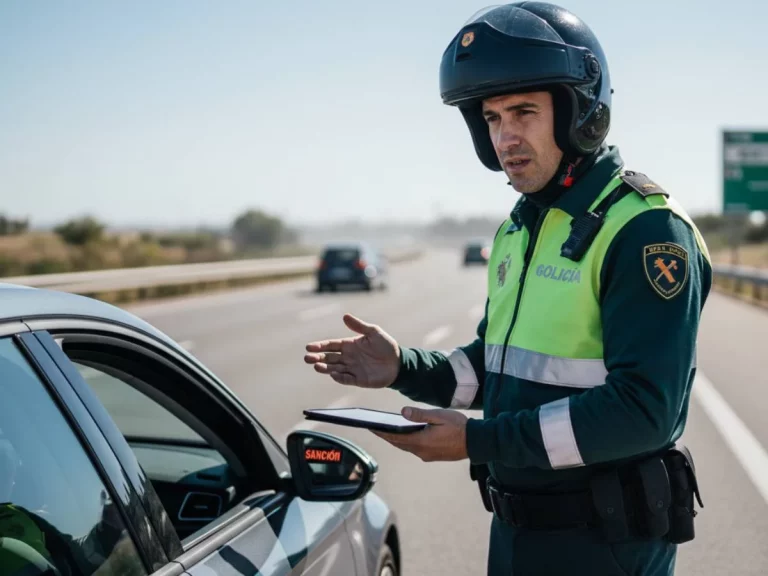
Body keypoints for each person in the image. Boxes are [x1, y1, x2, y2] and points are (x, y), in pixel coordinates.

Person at [304, 3, 712, 574]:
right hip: (516, 535)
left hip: (607, 545)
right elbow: (496, 369)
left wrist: (479, 442)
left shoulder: (645, 230)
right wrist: (402, 367)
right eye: (492, 118)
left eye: (523, 112)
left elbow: (644, 411)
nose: (505, 137)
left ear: (579, 112)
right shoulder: (521, 227)